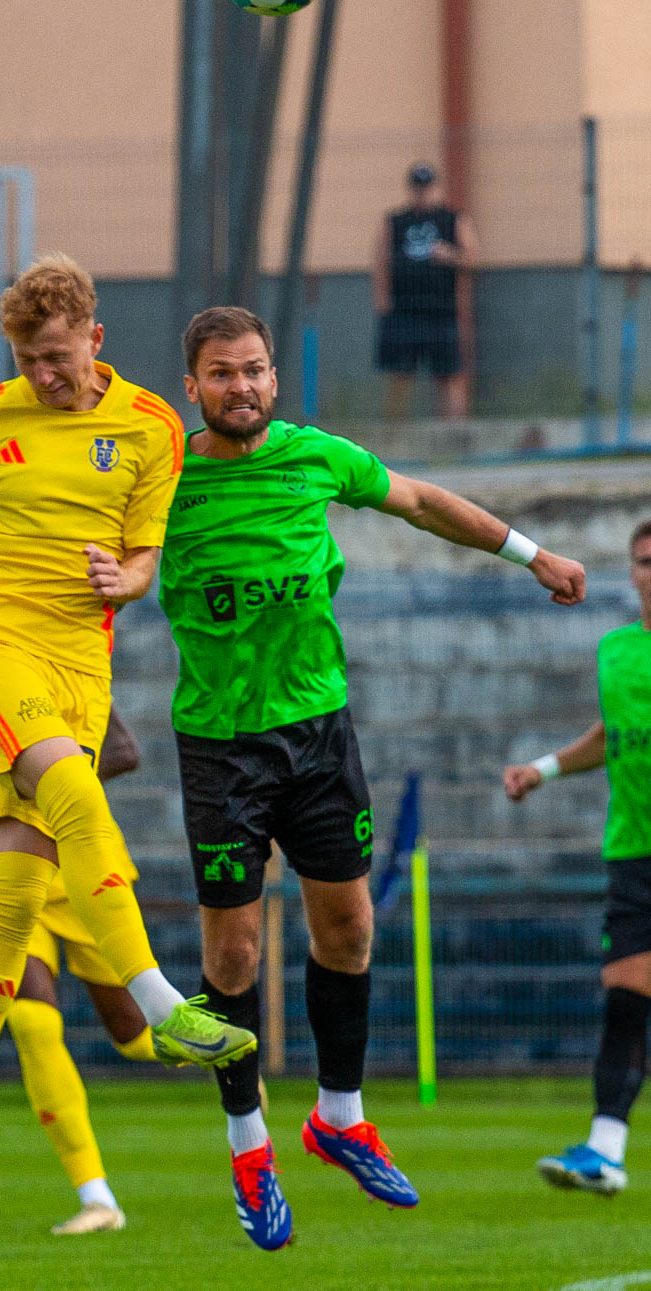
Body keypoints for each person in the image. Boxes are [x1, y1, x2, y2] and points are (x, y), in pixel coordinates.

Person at [158, 305, 586, 1251]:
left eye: (255, 369)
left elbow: (423, 502)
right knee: (233, 957)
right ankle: (249, 1144)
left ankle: (339, 1117)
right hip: (220, 745)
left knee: (350, 928)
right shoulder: (164, 475)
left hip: (317, 730)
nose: (242, 386)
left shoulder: (315, 455)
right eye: (222, 373)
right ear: (192, 387)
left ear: (275, 378)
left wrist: (534, 555)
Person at [0, 254, 256, 1216]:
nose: (43, 374)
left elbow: (145, 550)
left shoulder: (149, 426)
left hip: (82, 669)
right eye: (27, 359)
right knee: (76, 797)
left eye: (57, 356)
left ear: (95, 340)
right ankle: (166, 1006)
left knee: (8, 908)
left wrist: (130, 579)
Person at [0, 537, 153, 1234]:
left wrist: (26, 777)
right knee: (33, 1021)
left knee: (137, 1037)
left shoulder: (39, 649)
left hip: (72, 858)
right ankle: (98, 1198)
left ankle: (234, 1072)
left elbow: (120, 751)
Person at [503, 518, 651, 1197]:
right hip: (633, 851)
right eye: (644, 561)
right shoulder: (616, 650)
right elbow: (612, 735)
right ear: (632, 571)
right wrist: (543, 769)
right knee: (625, 999)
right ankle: (605, 1152)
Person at [372, 161, 478, 420]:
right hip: (404, 310)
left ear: (436, 188)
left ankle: (453, 433)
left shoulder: (453, 219)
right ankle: (394, 435)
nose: (423, 193)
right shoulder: (395, 221)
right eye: (418, 187)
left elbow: (472, 258)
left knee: (448, 375)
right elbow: (380, 261)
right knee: (399, 375)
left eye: (427, 187)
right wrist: (382, 301)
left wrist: (450, 255)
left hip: (441, 310)